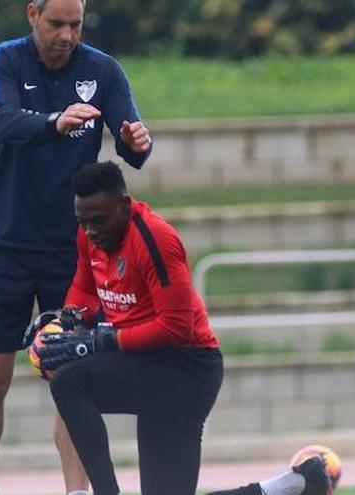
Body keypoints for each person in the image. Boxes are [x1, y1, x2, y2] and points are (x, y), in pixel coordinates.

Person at [0, 0, 152, 492]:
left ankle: (76, 491)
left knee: (73, 380)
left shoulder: (102, 70)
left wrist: (136, 141)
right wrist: (56, 122)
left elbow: (135, 150)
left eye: (76, 24)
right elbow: (6, 124)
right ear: (32, 15)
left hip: (72, 250)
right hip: (2, 244)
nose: (66, 34)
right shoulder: (4, 61)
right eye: (56, 23)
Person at [30, 161, 222, 495]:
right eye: (83, 221)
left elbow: (175, 327)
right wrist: (65, 322)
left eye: (99, 220)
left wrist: (98, 343)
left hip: (187, 368)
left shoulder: (156, 239)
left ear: (124, 204)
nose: (90, 231)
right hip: (147, 363)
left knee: (70, 383)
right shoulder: (90, 233)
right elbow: (86, 289)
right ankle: (290, 486)